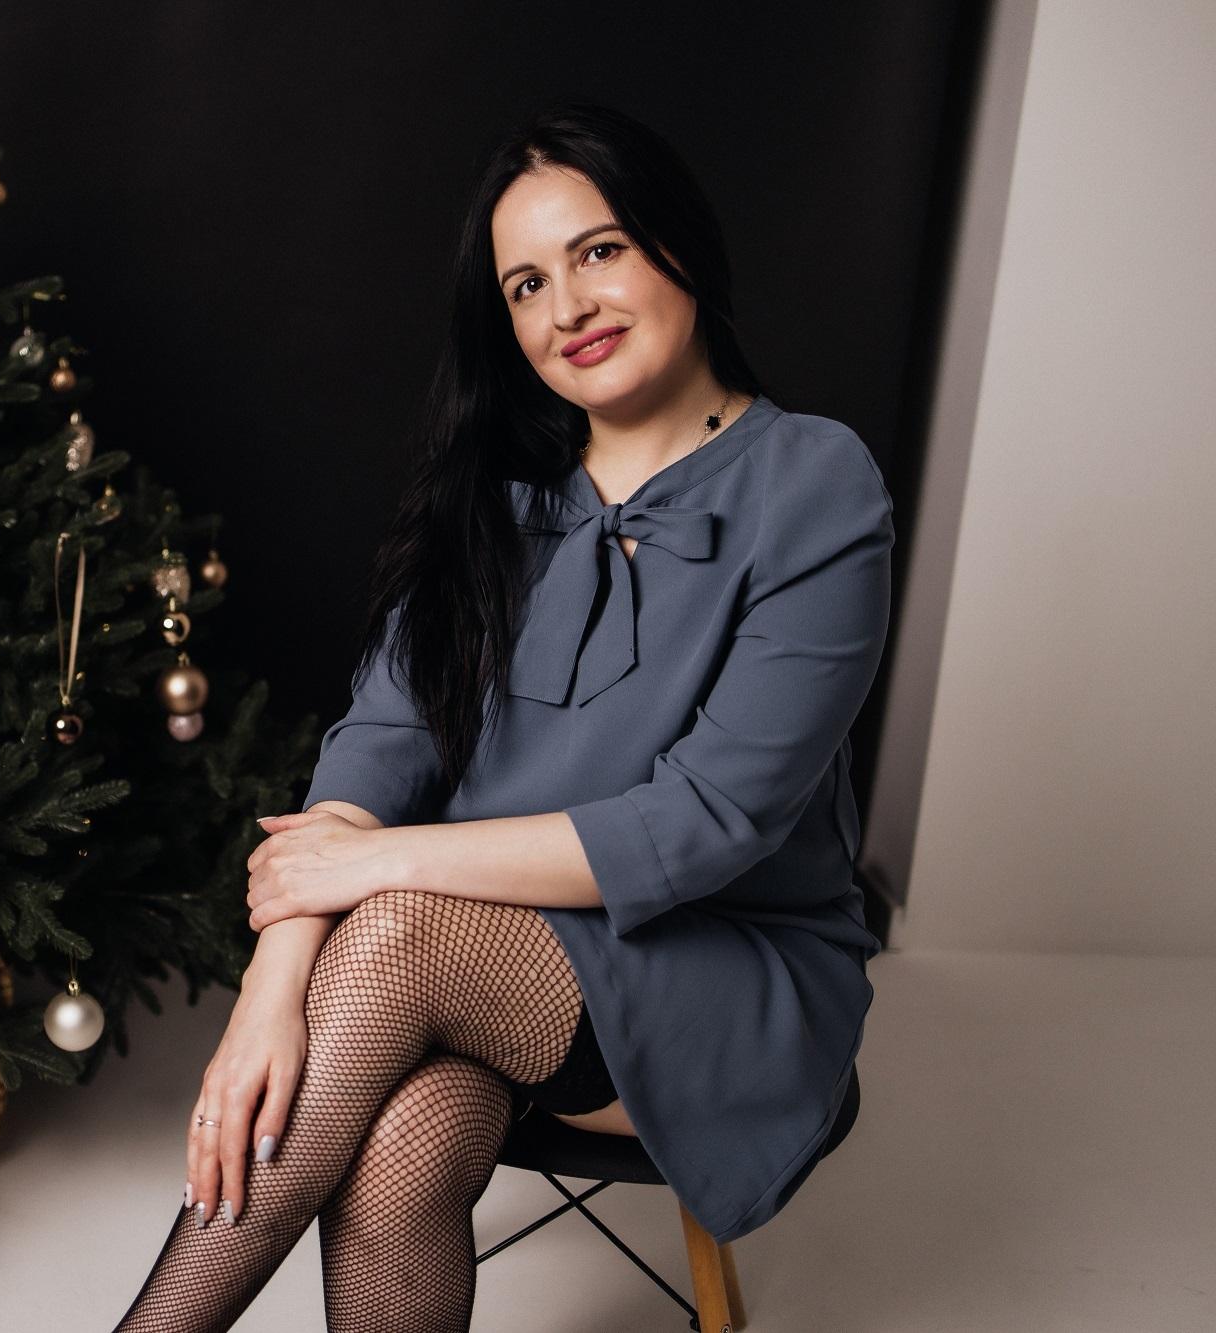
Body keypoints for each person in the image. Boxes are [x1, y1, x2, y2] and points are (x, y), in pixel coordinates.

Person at [113, 101, 892, 1332]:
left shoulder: (814, 480)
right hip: (472, 963)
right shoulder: (493, 499)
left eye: (598, 252)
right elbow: (379, 743)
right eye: (526, 284)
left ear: (678, 244)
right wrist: (271, 985)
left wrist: (377, 869)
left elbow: (708, 822)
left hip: (720, 970)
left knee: (397, 932)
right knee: (403, 1142)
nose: (566, 307)